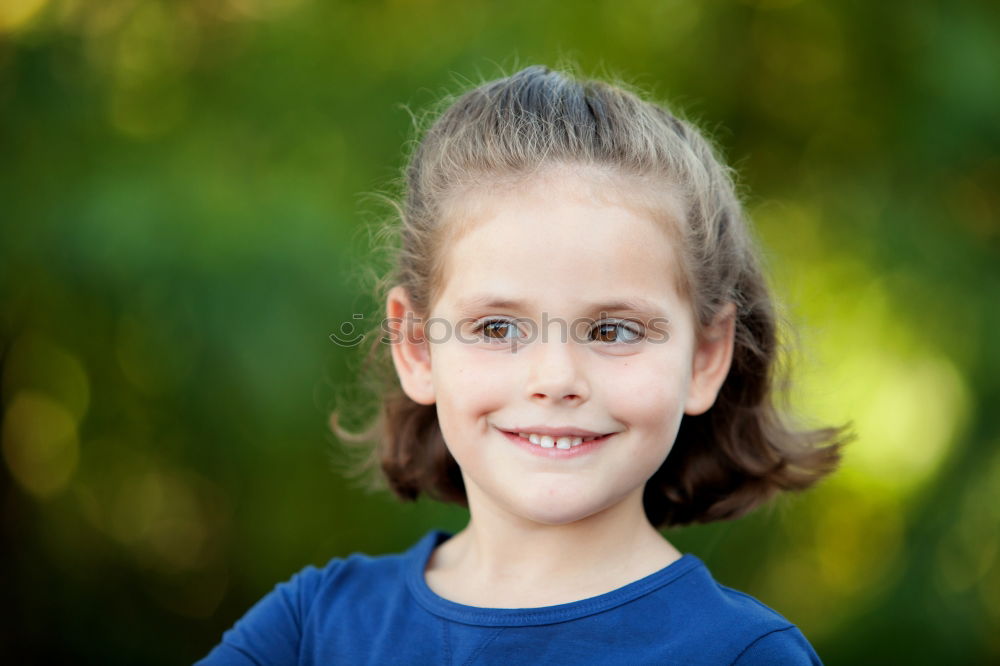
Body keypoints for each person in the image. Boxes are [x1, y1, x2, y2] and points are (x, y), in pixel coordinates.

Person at [197, 65, 846, 665]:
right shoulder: (313, 627)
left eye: (614, 329)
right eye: (498, 327)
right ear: (417, 348)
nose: (556, 379)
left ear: (706, 357)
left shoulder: (742, 655)